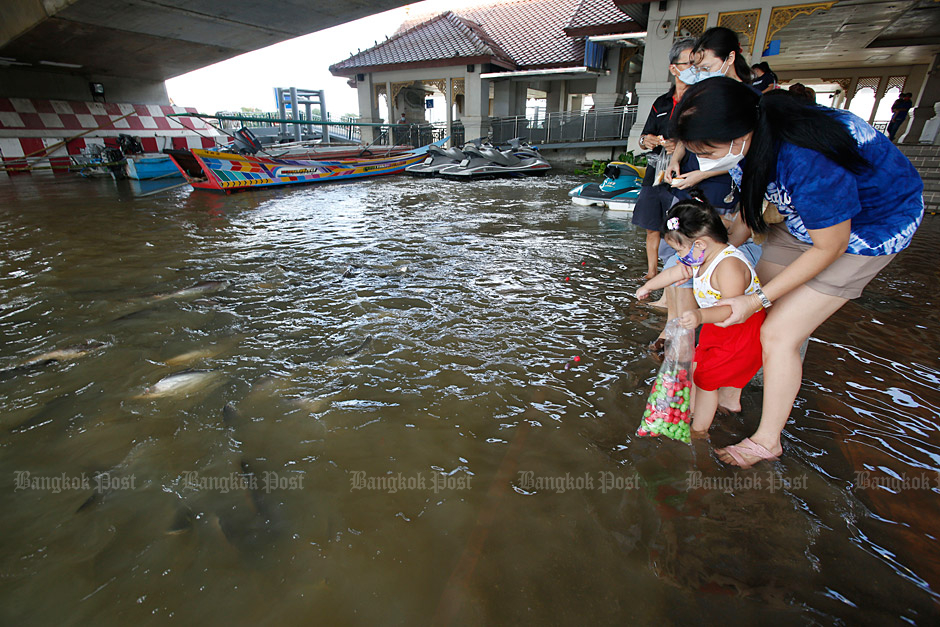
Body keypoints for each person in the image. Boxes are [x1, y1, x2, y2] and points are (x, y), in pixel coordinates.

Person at [670, 77, 924, 468]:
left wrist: (757, 298)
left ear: (739, 130)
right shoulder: (748, 142)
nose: (704, 159)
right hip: (803, 221)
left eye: (708, 149)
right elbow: (743, 220)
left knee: (777, 332)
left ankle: (768, 441)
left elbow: (831, 245)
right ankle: (731, 394)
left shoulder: (804, 156)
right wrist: (709, 258)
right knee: (753, 304)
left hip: (868, 229)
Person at [635, 192, 765, 435]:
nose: (679, 258)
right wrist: (648, 287)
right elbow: (676, 273)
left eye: (680, 251)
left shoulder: (728, 266)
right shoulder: (699, 258)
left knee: (706, 381)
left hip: (738, 331)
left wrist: (699, 317)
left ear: (701, 244)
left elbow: (731, 310)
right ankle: (696, 410)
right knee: (699, 369)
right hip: (717, 327)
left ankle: (699, 430)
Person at [633, 37, 697, 281]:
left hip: (685, 175)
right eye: (689, 63)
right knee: (652, 227)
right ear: (674, 68)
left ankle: (680, 275)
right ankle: (651, 273)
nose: (694, 69)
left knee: (682, 227)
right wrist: (646, 141)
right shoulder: (661, 103)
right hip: (655, 174)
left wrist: (679, 148)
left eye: (697, 64)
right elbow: (642, 137)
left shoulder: (699, 103)